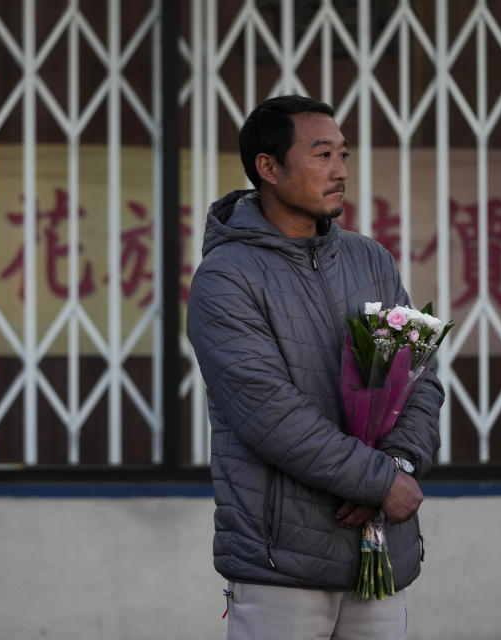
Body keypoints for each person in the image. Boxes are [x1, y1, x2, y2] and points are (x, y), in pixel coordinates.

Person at [186, 95, 444, 640]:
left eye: (344, 155)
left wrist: (397, 464)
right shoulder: (225, 278)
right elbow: (268, 413)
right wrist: (376, 479)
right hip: (282, 562)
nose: (340, 172)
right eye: (323, 154)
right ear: (269, 167)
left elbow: (418, 377)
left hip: (377, 550)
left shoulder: (370, 259)